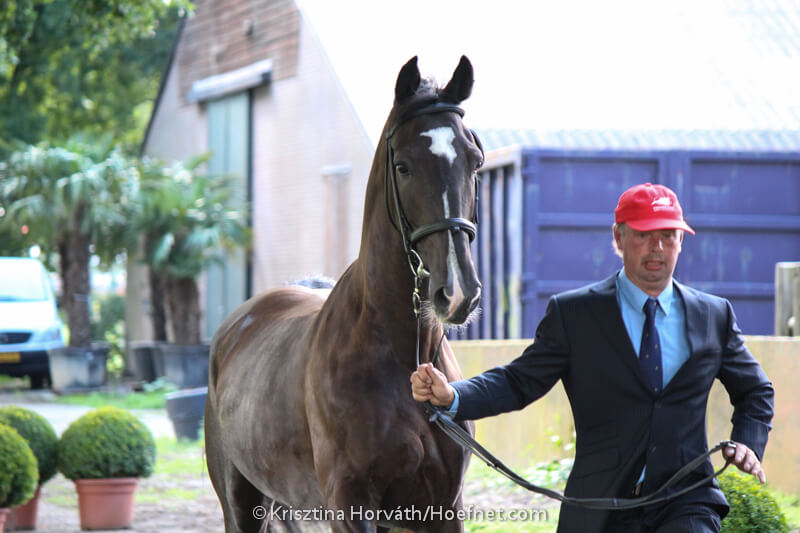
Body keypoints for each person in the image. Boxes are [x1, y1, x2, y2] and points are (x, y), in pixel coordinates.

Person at [411, 183, 774, 533]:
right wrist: (454, 395)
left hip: (687, 501)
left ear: (681, 241)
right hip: (598, 506)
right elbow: (518, 381)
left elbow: (755, 391)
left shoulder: (713, 315)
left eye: (668, 235)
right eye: (644, 235)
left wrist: (747, 441)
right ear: (619, 237)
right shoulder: (574, 315)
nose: (657, 248)